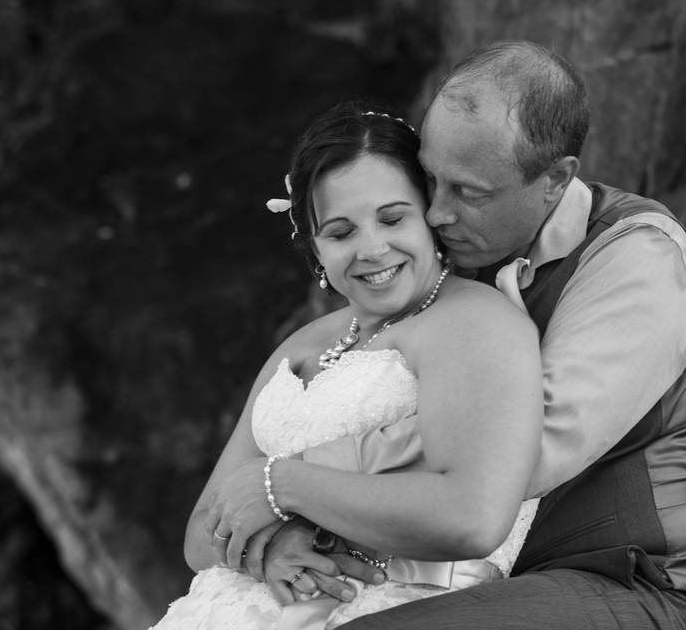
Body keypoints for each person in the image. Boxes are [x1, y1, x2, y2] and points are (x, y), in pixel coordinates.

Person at [266, 40, 686, 629]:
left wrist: (298, 481)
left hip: (626, 580)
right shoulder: (449, 256)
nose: (435, 213)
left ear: (555, 179)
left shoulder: (637, 256)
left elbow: (515, 452)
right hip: (462, 582)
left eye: (469, 192)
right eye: (430, 178)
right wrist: (264, 529)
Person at [149, 101, 544, 629]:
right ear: (314, 248)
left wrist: (281, 485)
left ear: (429, 211)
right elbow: (201, 532)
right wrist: (269, 547)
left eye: (392, 218)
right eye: (340, 233)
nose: (372, 249)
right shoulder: (300, 347)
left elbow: (471, 517)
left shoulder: (474, 324)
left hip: (395, 608)